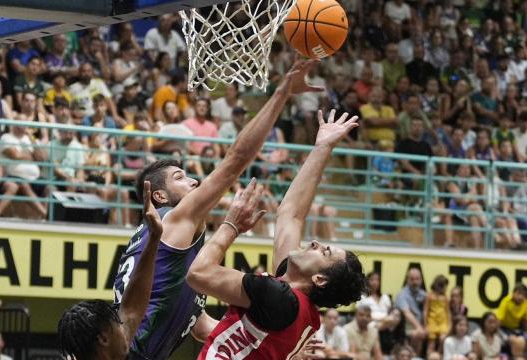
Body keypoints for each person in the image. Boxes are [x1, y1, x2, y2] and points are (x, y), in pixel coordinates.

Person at [113, 60, 327, 360]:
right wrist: (282, 93)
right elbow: (234, 163)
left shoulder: (168, 247)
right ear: (159, 196)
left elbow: (199, 327)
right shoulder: (173, 221)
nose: (194, 180)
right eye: (180, 177)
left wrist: (283, 345)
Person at [186, 110, 367, 358]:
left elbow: (198, 274)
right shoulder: (296, 306)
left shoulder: (278, 297)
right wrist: (323, 147)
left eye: (324, 251)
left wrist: (231, 226)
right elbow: (291, 214)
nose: (314, 242)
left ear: (319, 280)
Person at [59, 181, 162, 360]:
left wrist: (154, 238)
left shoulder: (116, 349)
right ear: (104, 338)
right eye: (118, 325)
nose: (124, 327)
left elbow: (131, 310)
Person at [395, 267, 427, 354]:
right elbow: (407, 313)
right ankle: (415, 356)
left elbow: (426, 311)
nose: (415, 282)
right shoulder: (402, 294)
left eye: (417, 279)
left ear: (421, 280)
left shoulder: (423, 294)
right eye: (412, 279)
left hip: (421, 325)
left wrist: (426, 326)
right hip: (406, 326)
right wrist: (419, 328)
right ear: (407, 280)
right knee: (418, 334)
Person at [495, 283, 527, 359]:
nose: (520, 297)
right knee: (516, 342)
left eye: (523, 295)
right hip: (504, 328)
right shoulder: (506, 301)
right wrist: (503, 336)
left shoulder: (525, 303)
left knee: (521, 341)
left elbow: (524, 323)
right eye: (518, 294)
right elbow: (498, 321)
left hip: (517, 329)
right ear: (513, 293)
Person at [425, 275, 451, 355]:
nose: (445, 288)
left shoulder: (445, 298)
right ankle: (429, 357)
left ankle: (438, 356)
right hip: (432, 321)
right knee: (431, 343)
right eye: (444, 286)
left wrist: (449, 323)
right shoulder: (429, 296)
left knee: (442, 339)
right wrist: (425, 324)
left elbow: (447, 311)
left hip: (443, 322)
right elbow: (426, 310)